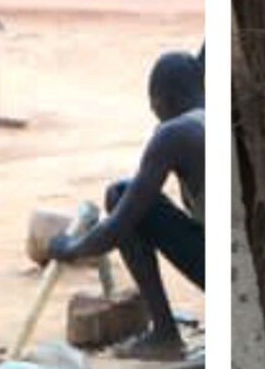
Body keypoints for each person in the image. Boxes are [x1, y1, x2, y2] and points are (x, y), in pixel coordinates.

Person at [50, 49, 204, 349]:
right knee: (124, 192)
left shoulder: (174, 134)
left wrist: (70, 248)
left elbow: (118, 226)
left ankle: (164, 333)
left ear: (163, 102)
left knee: (120, 196)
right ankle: (163, 329)